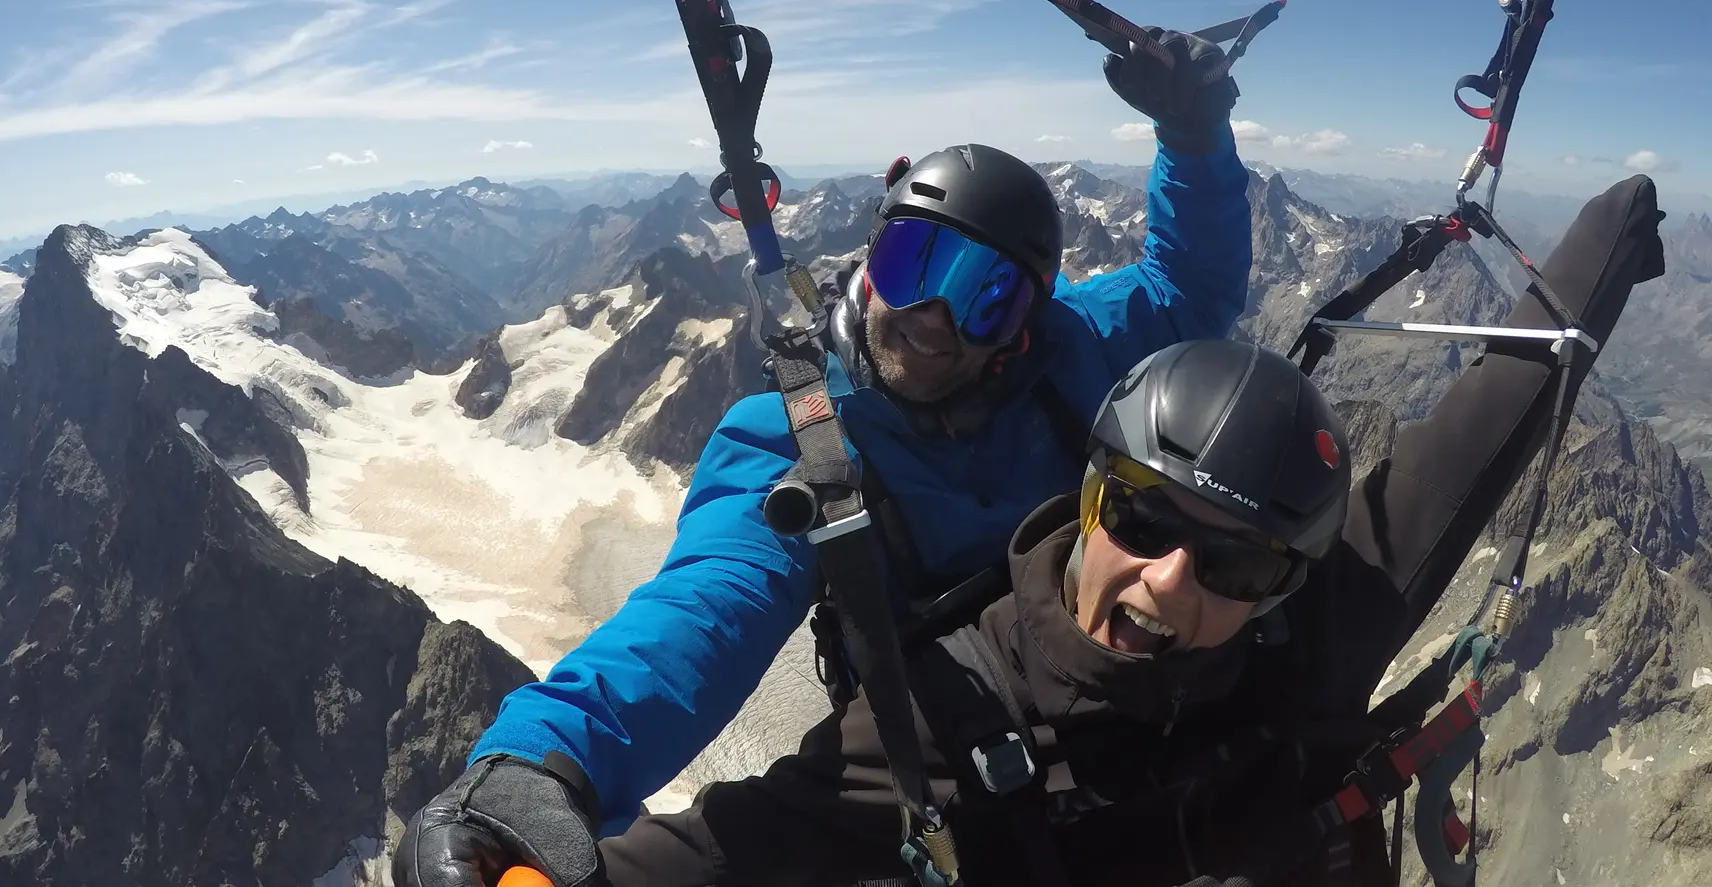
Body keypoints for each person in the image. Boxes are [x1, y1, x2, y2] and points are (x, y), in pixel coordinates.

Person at [574, 173, 1664, 887]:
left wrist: (1606, 245)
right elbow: (716, 851)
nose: (1170, 582)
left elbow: (1480, 429)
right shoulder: (948, 714)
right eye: (1143, 517)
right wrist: (530, 802)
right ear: (1091, 492)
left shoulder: (1307, 633)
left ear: (1284, 580)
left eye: (1232, 560)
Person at [392, 31, 1258, 887]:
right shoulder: (797, 436)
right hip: (945, 756)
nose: (932, 316)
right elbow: (705, 607)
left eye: (984, 298)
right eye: (915, 263)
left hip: (1134, 691)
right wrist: (543, 756)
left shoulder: (1073, 345)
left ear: (1023, 325)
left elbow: (1189, 286)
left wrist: (1194, 138)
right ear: (870, 261)